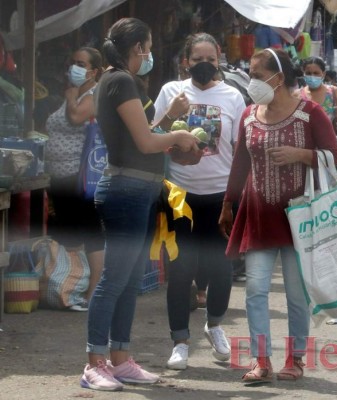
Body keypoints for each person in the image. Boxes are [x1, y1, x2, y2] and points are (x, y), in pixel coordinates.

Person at [81, 17, 200, 392]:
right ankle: (94, 362)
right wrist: (179, 135)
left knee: (129, 281)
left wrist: (170, 123)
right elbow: (148, 143)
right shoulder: (120, 80)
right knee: (114, 279)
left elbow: (144, 135)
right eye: (147, 48)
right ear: (138, 49)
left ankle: (120, 359)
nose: (149, 55)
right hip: (125, 191)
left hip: (140, 190)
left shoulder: (119, 81)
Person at [219, 48, 337, 382]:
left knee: (295, 293)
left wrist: (300, 154)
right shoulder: (248, 115)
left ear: (278, 77)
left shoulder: (310, 113)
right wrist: (228, 203)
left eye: (257, 75)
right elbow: (240, 162)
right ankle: (261, 360)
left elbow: (334, 156)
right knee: (255, 288)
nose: (252, 81)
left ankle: (295, 357)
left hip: (299, 218)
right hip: (257, 214)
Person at [153, 32, 246, 371]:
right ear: (186, 61)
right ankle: (180, 341)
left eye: (210, 58)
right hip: (179, 195)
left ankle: (215, 325)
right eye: (197, 59)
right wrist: (172, 113)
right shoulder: (170, 92)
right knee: (180, 271)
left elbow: (240, 149)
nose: (203, 64)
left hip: (220, 196)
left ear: (219, 58)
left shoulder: (234, 96)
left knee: (222, 269)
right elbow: (151, 137)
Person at [45, 47, 104, 310]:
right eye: (73, 62)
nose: (75, 68)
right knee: (67, 232)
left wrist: (70, 97)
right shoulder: (74, 92)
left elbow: (76, 116)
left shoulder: (93, 93)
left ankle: (94, 292)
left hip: (80, 178)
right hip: (58, 176)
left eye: (81, 64)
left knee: (90, 232)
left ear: (94, 71)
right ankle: (69, 286)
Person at [297, 57, 337, 144]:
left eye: (316, 73)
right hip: (304, 145)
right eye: (308, 73)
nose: (312, 76)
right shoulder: (297, 95)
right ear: (303, 74)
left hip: (329, 143)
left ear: (323, 74)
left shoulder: (333, 92)